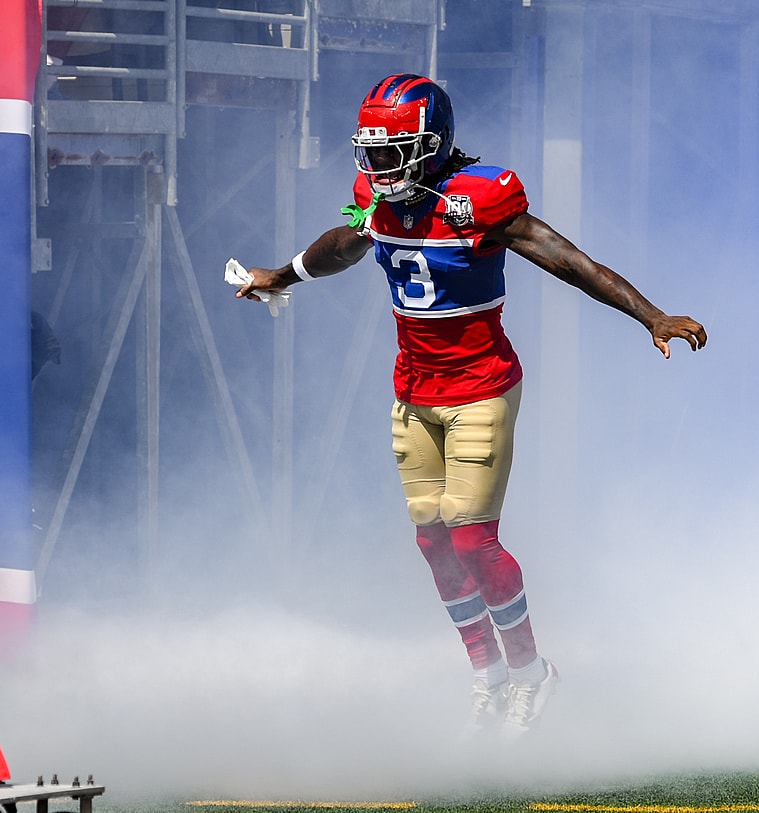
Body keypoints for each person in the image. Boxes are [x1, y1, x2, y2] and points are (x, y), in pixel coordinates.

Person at [233, 73, 706, 738]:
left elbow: (567, 259)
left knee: (471, 537)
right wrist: (282, 275)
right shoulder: (372, 196)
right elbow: (348, 237)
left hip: (481, 385)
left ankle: (533, 675)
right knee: (431, 540)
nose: (379, 166)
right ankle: (486, 675)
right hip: (413, 388)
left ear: (431, 146)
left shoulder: (481, 198)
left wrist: (650, 315)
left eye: (394, 151)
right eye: (373, 151)